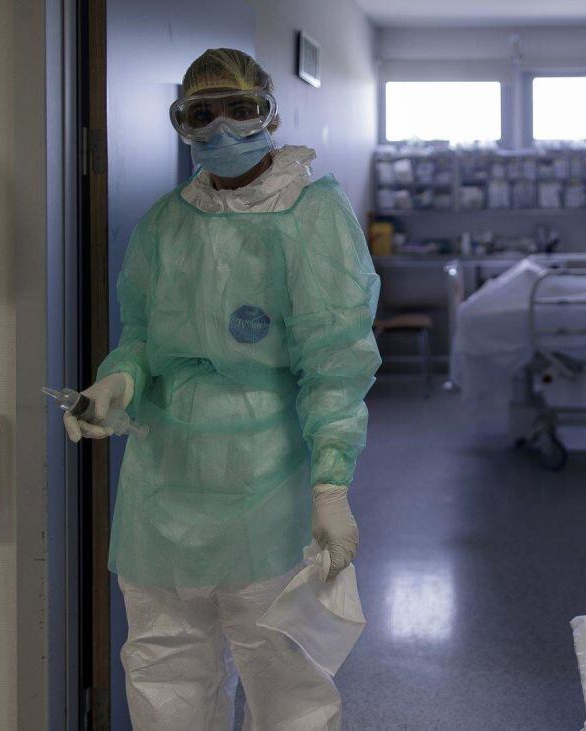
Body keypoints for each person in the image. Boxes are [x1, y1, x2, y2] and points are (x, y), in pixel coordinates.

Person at [62, 48, 380, 729]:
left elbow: (335, 361)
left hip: (268, 481)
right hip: (163, 485)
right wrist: (120, 377)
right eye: (201, 115)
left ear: (270, 112)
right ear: (182, 125)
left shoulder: (313, 217)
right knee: (163, 666)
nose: (222, 128)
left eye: (242, 109)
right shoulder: (166, 222)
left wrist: (330, 484)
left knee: (283, 671)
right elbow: (142, 332)